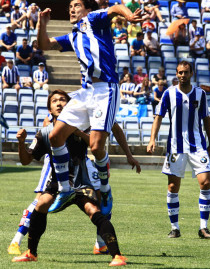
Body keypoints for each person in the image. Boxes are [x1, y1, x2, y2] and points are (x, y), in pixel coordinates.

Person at [37, 0, 144, 211]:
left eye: (76, 5)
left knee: (95, 147)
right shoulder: (72, 37)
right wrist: (41, 23)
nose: (71, 9)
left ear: (87, 9)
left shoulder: (93, 19)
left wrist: (130, 16)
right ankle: (66, 189)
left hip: (106, 89)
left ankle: (104, 190)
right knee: (55, 136)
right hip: (86, 92)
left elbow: (116, 8)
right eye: (69, 6)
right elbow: (44, 44)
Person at [11, 89, 140, 265]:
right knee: (40, 204)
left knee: (94, 211)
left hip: (81, 182)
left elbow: (99, 141)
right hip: (57, 182)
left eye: (63, 100)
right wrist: (20, 143)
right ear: (49, 108)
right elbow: (26, 160)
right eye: (54, 101)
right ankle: (31, 252)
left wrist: (79, 133)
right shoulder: (45, 133)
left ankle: (117, 255)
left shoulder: (83, 125)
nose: (59, 103)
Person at [147, 60, 210, 240]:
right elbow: (158, 117)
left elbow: (207, 119)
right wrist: (152, 139)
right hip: (176, 147)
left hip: (198, 146)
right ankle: (175, 228)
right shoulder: (169, 94)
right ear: (176, 74)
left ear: (191, 73)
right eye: (179, 72)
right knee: (172, 187)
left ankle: (203, 227)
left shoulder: (200, 94)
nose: (182, 75)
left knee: (205, 183)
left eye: (185, 72)